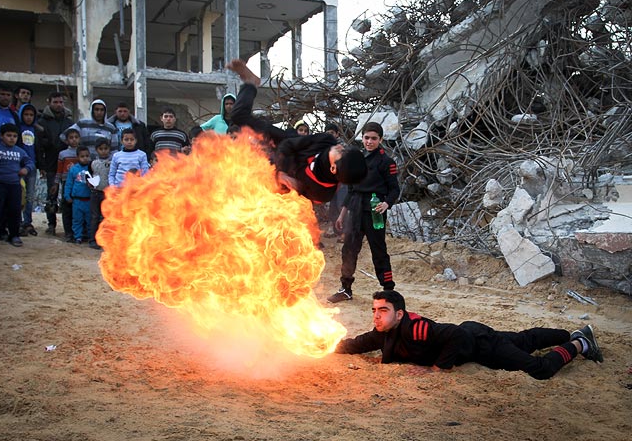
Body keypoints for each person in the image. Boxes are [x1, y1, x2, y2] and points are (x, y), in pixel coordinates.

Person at [335, 291, 604, 380]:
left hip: (480, 345)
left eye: (384, 310)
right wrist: (325, 345)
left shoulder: (416, 327)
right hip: (475, 334)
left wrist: (438, 367)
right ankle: (570, 333)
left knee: (539, 368)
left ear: (400, 314)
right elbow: (356, 344)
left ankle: (579, 342)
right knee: (523, 340)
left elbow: (454, 335)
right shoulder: (380, 334)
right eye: (374, 310)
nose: (377, 316)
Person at [226, 58, 367, 203]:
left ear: (333, 168)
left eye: (341, 152)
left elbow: (293, 202)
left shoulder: (322, 193)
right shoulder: (327, 141)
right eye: (344, 148)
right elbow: (288, 145)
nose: (339, 146)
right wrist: (281, 173)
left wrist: (279, 178)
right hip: (286, 143)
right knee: (238, 116)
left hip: (280, 173)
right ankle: (250, 83)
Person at [328, 122, 400, 302]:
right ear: (362, 138)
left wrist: (386, 204)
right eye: (366, 138)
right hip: (356, 209)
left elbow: (394, 189)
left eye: (374, 138)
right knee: (349, 249)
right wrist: (342, 213)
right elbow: (351, 189)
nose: (369, 142)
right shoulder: (357, 159)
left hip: (375, 210)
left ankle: (389, 290)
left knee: (379, 250)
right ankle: (346, 288)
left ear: (380, 139)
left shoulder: (386, 162)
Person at [36, 91, 73, 235]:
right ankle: (51, 224)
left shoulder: (69, 122)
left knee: (67, 197)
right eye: (55, 102)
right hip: (51, 164)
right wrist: (42, 165)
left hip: (67, 164)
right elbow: (38, 146)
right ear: (49, 102)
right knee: (51, 197)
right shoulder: (42, 122)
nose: (58, 105)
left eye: (61, 102)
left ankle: (67, 227)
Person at [0, 123, 35, 247]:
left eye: (15, 136)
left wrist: (26, 169)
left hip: (14, 185)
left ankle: (14, 235)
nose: (12, 138)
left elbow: (30, 163)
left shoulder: (20, 152)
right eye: (8, 135)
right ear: (1, 136)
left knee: (14, 211)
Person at [17, 104, 42, 236]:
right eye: (26, 114)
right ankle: (18, 222)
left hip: (32, 167)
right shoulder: (18, 128)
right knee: (19, 196)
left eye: (31, 115)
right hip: (19, 167)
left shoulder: (36, 130)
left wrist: (40, 165)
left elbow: (39, 149)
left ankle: (28, 222)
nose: (28, 117)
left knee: (30, 197)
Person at [54, 128, 81, 242]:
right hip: (66, 183)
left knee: (78, 208)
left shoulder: (82, 152)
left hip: (80, 183)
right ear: (66, 140)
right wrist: (56, 183)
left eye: (76, 137)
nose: (74, 140)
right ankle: (68, 232)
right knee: (67, 208)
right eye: (71, 137)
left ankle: (78, 232)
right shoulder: (63, 154)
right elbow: (59, 170)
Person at [64, 146, 92, 244]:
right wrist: (67, 196)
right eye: (82, 156)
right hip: (77, 200)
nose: (85, 158)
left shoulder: (92, 168)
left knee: (89, 220)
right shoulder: (74, 169)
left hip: (89, 199)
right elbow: (69, 183)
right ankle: (78, 237)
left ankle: (89, 236)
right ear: (78, 157)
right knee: (77, 220)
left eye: (87, 156)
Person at [88, 138, 111, 250]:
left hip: (107, 193)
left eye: (105, 149)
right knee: (94, 217)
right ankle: (92, 240)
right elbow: (88, 175)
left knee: (106, 217)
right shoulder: (93, 163)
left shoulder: (111, 162)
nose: (103, 151)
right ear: (96, 150)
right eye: (101, 149)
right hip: (95, 193)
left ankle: (104, 240)